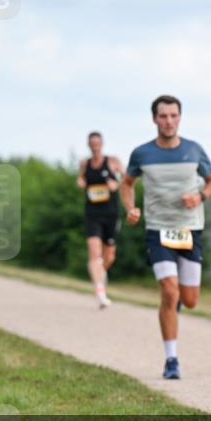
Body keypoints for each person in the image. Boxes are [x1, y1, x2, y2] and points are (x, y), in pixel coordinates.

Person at [121, 95, 211, 380]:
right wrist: (130, 208)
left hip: (190, 230)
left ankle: (173, 305)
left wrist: (200, 196)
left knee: (189, 300)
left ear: (180, 118)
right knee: (169, 290)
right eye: (163, 116)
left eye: (173, 115)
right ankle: (171, 360)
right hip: (158, 230)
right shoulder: (141, 154)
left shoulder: (194, 150)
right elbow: (127, 184)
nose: (168, 121)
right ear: (154, 119)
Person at [77, 131, 124, 308]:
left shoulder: (112, 161)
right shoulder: (84, 163)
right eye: (92, 144)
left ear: (102, 143)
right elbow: (81, 178)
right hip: (92, 213)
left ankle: (101, 275)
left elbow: (127, 179)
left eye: (97, 143)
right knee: (93, 251)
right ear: (89, 145)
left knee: (109, 256)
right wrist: (80, 182)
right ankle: (100, 291)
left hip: (111, 214)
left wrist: (116, 184)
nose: (95, 146)